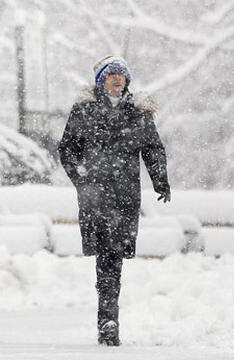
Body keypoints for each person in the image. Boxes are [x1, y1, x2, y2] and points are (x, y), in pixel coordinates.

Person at [57, 55, 170, 347]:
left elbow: (153, 149)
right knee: (105, 258)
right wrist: (81, 178)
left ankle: (109, 318)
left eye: (121, 74)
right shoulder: (84, 112)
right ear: (100, 80)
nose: (117, 78)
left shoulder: (139, 114)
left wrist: (160, 181)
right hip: (95, 198)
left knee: (114, 258)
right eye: (111, 74)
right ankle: (108, 318)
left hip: (125, 197)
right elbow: (67, 148)